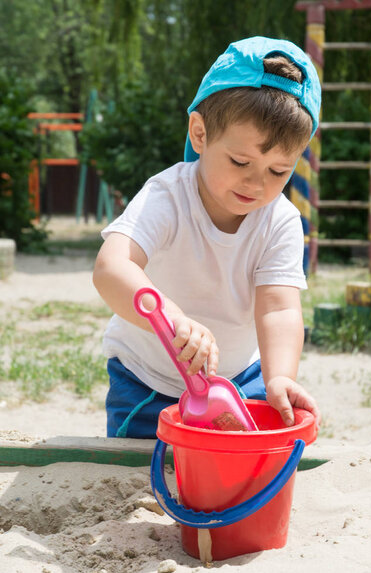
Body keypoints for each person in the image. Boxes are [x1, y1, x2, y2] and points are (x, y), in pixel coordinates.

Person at [93, 36, 322, 438]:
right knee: (138, 471)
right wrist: (173, 318)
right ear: (200, 134)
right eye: (240, 161)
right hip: (150, 382)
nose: (257, 183)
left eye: (279, 171)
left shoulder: (280, 220)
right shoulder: (168, 196)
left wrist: (281, 376)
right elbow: (112, 267)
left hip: (239, 382)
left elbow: (279, 309)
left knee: (242, 471)